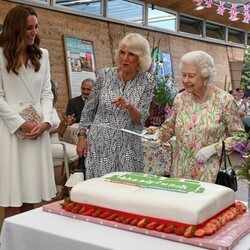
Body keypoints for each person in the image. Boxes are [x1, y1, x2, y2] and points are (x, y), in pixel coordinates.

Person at [0, 5, 56, 217]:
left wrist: (46, 123)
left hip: (37, 129)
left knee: (32, 192)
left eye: (36, 27)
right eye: (29, 28)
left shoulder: (43, 55)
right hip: (11, 131)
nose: (34, 32)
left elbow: (47, 94)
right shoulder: (1, 55)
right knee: (12, 194)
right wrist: (21, 123)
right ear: (15, 29)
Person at [159, 50, 245, 183]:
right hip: (179, 173)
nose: (185, 80)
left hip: (209, 175)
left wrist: (214, 148)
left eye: (191, 76)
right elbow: (169, 127)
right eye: (184, 75)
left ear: (205, 77)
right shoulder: (180, 98)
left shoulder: (224, 100)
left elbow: (240, 137)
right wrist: (157, 137)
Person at [77, 33, 155, 179]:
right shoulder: (105, 75)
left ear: (141, 58)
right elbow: (88, 110)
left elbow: (141, 119)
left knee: (126, 192)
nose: (125, 58)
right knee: (99, 191)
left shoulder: (147, 81)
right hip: (100, 145)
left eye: (131, 54)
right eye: (122, 53)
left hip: (128, 148)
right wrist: (82, 136)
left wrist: (130, 106)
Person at [50, 80, 78, 165]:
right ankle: (74, 177)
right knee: (79, 152)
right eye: (57, 89)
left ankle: (71, 176)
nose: (59, 92)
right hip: (48, 145)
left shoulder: (52, 108)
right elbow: (42, 133)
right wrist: (59, 128)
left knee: (82, 148)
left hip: (57, 142)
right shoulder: (43, 109)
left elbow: (60, 133)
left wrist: (64, 124)